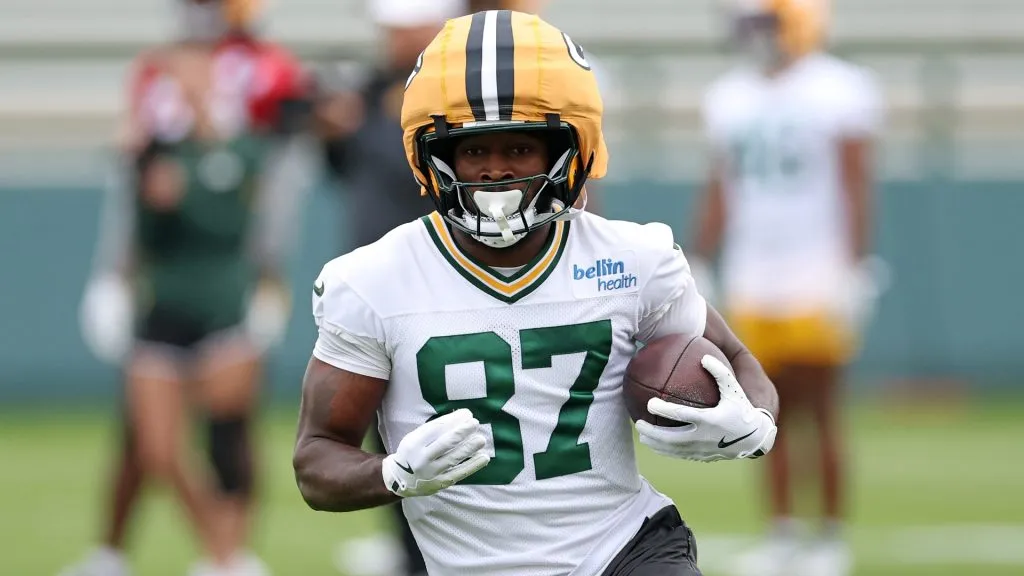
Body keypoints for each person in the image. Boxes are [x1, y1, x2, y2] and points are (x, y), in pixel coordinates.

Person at [293, 10, 779, 576]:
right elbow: (316, 458)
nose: (496, 171)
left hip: (623, 549)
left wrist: (755, 423)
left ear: (569, 149)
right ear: (434, 155)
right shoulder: (373, 280)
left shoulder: (633, 259)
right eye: (474, 151)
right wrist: (392, 474)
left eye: (519, 149)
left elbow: (739, 362)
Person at [62, 1, 312, 574]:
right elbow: (134, 212)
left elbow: (260, 204)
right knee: (152, 443)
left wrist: (271, 281)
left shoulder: (254, 115)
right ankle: (199, 552)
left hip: (226, 297)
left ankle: (229, 552)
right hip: (163, 298)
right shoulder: (156, 126)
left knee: (229, 432)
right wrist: (112, 275)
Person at [690, 2, 885, 575]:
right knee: (761, 407)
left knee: (821, 407)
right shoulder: (729, 95)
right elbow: (721, 186)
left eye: (765, 24)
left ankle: (829, 537)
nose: (756, 37)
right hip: (754, 270)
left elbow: (855, 184)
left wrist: (854, 266)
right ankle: (781, 532)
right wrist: (700, 256)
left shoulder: (840, 88)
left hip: (816, 269)